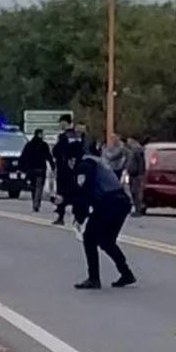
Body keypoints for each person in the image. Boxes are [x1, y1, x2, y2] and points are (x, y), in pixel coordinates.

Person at [68, 143, 137, 290]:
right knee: (106, 241)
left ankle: (94, 278)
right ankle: (126, 273)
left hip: (109, 202)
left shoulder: (85, 166)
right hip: (121, 202)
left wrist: (79, 216)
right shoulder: (97, 161)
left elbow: (83, 192)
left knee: (89, 238)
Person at [51, 113, 83, 225]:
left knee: (63, 193)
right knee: (73, 193)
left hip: (65, 169)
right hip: (73, 170)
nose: (61, 125)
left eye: (62, 123)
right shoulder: (76, 137)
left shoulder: (66, 137)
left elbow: (57, 151)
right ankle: (75, 217)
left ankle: (61, 216)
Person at [19, 129, 55, 212]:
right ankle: (36, 203)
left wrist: (22, 167)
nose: (42, 136)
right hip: (39, 168)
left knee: (35, 187)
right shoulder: (42, 145)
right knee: (38, 187)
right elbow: (48, 156)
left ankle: (35, 202)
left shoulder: (30, 145)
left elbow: (24, 156)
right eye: (41, 134)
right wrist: (52, 165)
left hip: (34, 169)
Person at [126, 136, 147, 216]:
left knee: (136, 192)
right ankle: (137, 208)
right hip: (132, 174)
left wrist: (140, 173)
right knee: (133, 192)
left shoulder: (137, 150)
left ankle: (139, 210)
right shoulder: (132, 150)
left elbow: (141, 162)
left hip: (137, 175)